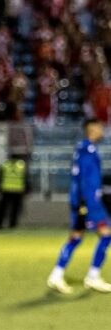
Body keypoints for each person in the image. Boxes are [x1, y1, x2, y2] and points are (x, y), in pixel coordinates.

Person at [47, 118, 111, 294]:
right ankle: (92, 276)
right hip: (89, 203)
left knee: (77, 237)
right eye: (100, 127)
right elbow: (86, 181)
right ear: (93, 129)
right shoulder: (88, 150)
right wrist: (86, 203)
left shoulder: (82, 149)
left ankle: (57, 274)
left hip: (85, 201)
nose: (103, 130)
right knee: (105, 235)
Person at [0, 153, 30, 229]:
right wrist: (27, 189)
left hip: (6, 190)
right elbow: (26, 178)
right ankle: (12, 224)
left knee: (2, 209)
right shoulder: (22, 165)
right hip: (18, 190)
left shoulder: (5, 164)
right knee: (15, 209)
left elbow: (0, 177)